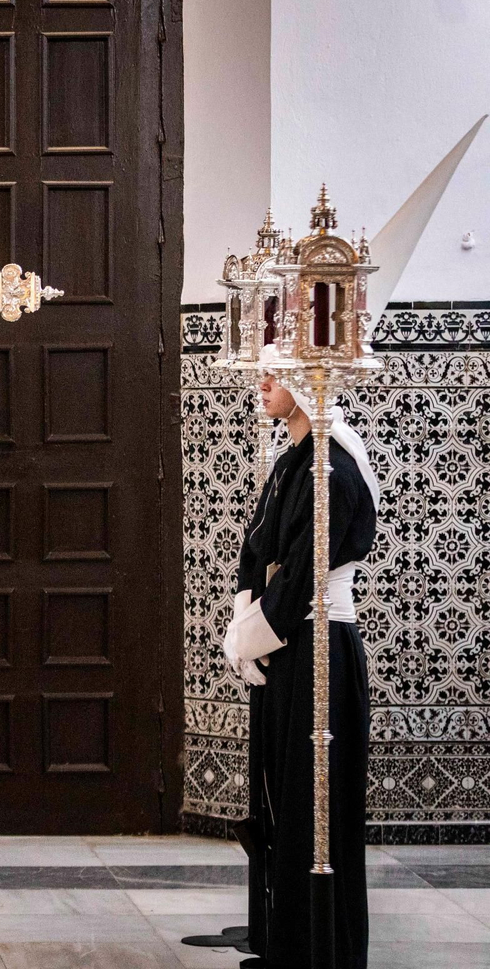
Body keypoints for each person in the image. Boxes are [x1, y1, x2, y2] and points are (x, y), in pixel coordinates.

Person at [223, 355, 378, 969]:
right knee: (281, 797)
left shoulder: (330, 468)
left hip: (317, 649)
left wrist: (247, 638)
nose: (261, 383)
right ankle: (284, 943)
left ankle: (317, 950)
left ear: (312, 379)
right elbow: (261, 557)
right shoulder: (293, 458)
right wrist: (246, 625)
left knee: (313, 806)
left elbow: (301, 576)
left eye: (274, 371)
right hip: (286, 646)